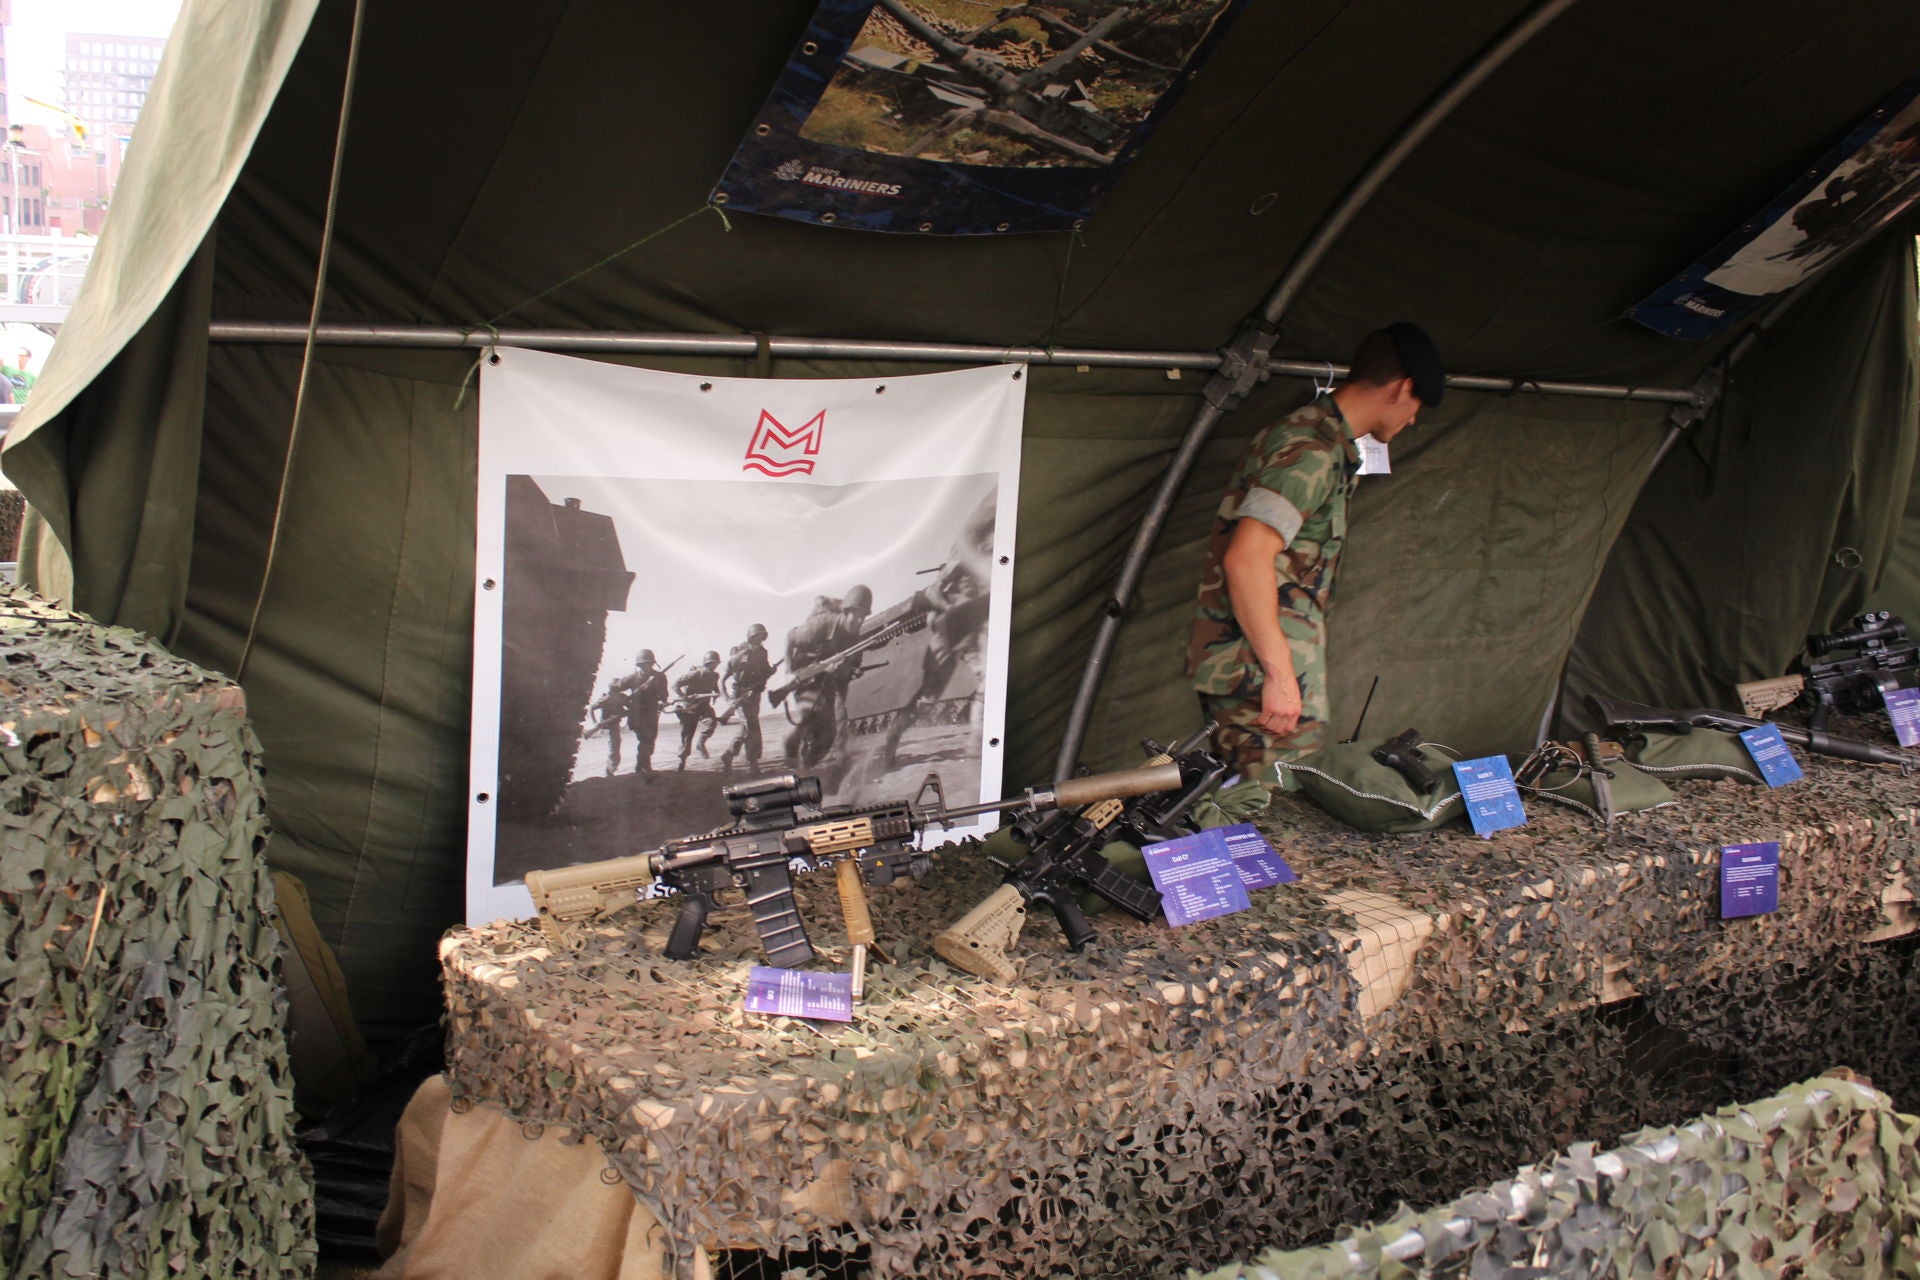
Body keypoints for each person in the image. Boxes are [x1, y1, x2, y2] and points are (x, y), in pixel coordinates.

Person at [1188, 322, 1444, 778]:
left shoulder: (1319, 439)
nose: (1413, 419)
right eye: (1418, 404)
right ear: (1403, 388)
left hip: (1256, 667)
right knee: (1266, 807)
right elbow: (1246, 558)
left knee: (1259, 803)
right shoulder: (1312, 449)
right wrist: (1281, 675)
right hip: (1257, 674)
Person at [783, 585, 872, 770]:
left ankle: (807, 765)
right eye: (856, 615)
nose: (859, 621)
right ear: (846, 611)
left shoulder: (855, 638)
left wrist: (852, 671)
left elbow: (854, 664)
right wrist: (789, 670)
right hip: (805, 677)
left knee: (829, 734)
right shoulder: (821, 624)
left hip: (827, 680)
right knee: (811, 719)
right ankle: (792, 746)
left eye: (863, 616)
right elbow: (790, 637)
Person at [588, 649, 668, 776]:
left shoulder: (660, 677)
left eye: (649, 664)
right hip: (636, 714)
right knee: (645, 739)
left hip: (652, 713)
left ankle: (640, 767)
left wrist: (658, 691)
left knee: (650, 740)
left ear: (653, 664)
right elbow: (614, 688)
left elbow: (664, 697)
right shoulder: (631, 678)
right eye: (643, 665)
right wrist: (618, 702)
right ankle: (645, 768)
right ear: (639, 665)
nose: (646, 667)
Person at [717, 623, 776, 774]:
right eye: (758, 636)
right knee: (752, 728)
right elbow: (721, 680)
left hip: (755, 695)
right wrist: (728, 700)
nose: (760, 639)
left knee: (745, 729)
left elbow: (763, 671)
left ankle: (728, 755)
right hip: (741, 696)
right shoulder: (740, 653)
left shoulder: (762, 652)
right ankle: (753, 764)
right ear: (751, 637)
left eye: (762, 637)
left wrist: (771, 671)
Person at [673, 651, 724, 770]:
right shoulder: (694, 675)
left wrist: (716, 694)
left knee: (711, 723)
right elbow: (675, 685)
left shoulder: (715, 675)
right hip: (689, 708)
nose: (715, 666)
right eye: (713, 664)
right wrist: (684, 697)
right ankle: (682, 762)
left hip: (704, 707)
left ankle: (700, 743)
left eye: (716, 663)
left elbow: (715, 687)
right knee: (687, 736)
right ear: (707, 663)